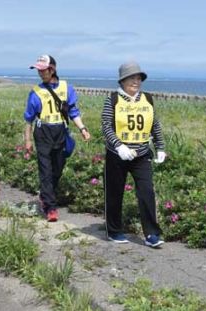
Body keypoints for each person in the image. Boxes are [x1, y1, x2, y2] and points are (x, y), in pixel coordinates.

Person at [101, 61, 166, 247]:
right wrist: (119, 146)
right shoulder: (112, 99)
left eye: (138, 78)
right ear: (122, 81)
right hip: (117, 155)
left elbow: (155, 125)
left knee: (147, 192)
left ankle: (152, 234)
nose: (135, 81)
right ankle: (114, 231)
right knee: (114, 193)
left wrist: (160, 147)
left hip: (142, 154)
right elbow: (106, 126)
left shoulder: (148, 99)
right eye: (131, 78)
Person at [24, 54, 90, 222]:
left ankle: (46, 195)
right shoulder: (35, 92)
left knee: (58, 168)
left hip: (60, 131)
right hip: (42, 133)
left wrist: (82, 128)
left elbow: (73, 111)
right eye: (38, 70)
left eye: (43, 70)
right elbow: (28, 119)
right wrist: (28, 141)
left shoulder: (66, 88)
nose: (40, 73)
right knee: (45, 170)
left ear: (52, 69)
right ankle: (50, 207)